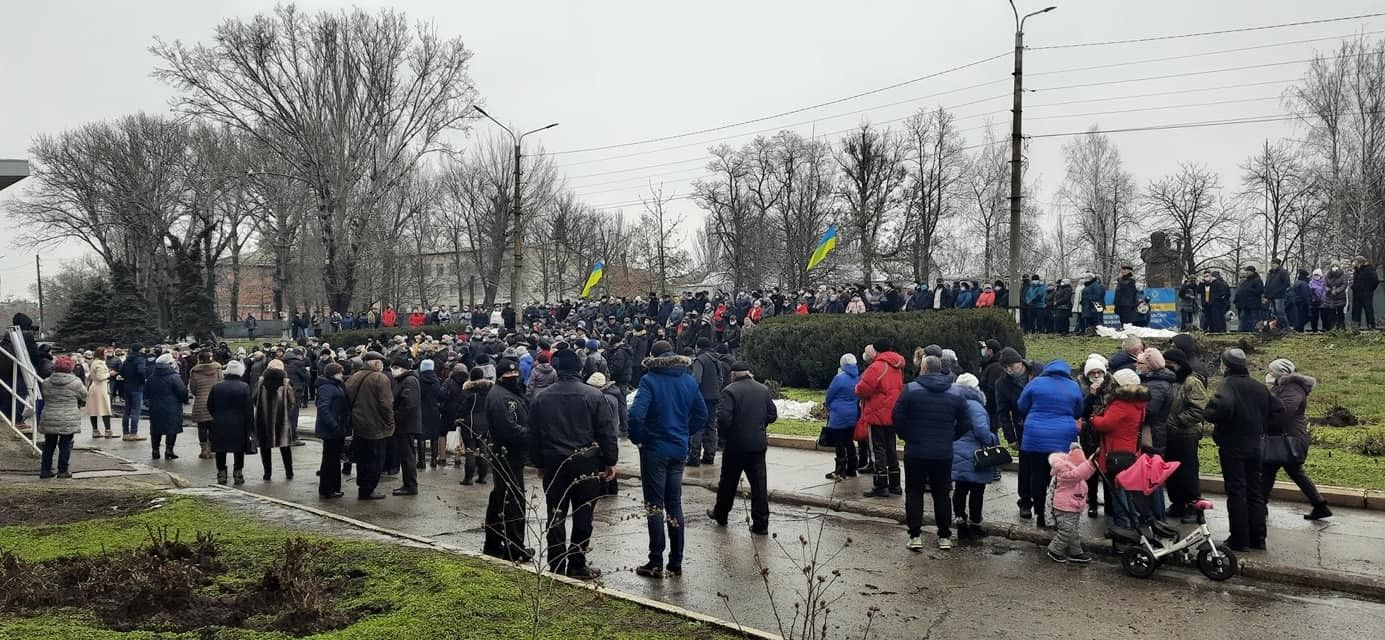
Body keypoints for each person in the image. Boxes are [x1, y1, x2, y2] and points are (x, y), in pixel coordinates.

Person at [529, 349, 617, 580]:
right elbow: (607, 431)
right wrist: (610, 461)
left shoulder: (542, 397)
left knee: (555, 513)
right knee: (583, 514)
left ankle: (556, 563)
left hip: (554, 463)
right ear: (579, 369)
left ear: (558, 369)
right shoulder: (594, 396)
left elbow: (534, 434)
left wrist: (539, 463)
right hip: (585, 463)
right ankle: (577, 563)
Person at [630, 340, 706, 579]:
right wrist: (684, 433)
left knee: (655, 506)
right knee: (674, 504)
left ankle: (655, 561)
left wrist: (640, 439)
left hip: (655, 449)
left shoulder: (649, 380)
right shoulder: (688, 380)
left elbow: (635, 416)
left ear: (653, 357)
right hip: (678, 448)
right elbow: (701, 415)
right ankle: (676, 562)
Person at [1205, 348, 1282, 552]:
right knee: (1254, 491)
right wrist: (1261, 426)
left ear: (1226, 365)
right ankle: (1258, 537)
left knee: (1237, 491)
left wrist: (1215, 415)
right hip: (1255, 444)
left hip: (1232, 445)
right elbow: (1278, 410)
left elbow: (1218, 410)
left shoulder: (1228, 385)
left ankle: (1239, 539)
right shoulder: (1258, 386)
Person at [893, 355, 971, 550]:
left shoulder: (910, 390)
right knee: (942, 494)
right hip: (943, 452)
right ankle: (944, 536)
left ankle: (915, 535)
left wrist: (907, 436)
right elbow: (966, 422)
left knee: (914, 493)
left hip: (916, 451)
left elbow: (897, 417)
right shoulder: (955, 393)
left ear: (925, 369)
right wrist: (950, 437)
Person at [708, 362, 777, 537]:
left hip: (736, 445)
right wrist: (760, 426)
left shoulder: (730, 391)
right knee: (759, 485)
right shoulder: (762, 389)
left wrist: (725, 435)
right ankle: (761, 524)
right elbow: (772, 414)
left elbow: (723, 418)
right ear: (749, 373)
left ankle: (721, 514)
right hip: (757, 445)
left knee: (728, 482)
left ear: (733, 375)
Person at [1015, 359, 1083, 528]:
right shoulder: (1073, 386)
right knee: (1059, 478)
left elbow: (1021, 405)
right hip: (1063, 438)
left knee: (1037, 475)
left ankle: (1040, 514)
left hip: (1035, 436)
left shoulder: (1036, 382)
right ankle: (1056, 513)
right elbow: (1079, 410)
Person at [1262, 358, 1332, 521]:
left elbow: (1284, 412)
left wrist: (1265, 422)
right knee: (1280, 470)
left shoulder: (1291, 388)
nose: (1269, 374)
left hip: (1289, 438)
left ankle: (1259, 505)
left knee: (1271, 469)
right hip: (1286, 437)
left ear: (1280, 373)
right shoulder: (1283, 387)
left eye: (1272, 371)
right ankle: (1320, 506)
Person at [483, 359, 532, 561]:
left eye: (515, 375)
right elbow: (507, 428)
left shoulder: (509, 393)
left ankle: (493, 543)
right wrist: (531, 434)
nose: (513, 378)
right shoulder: (499, 397)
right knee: (512, 500)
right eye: (509, 376)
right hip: (506, 454)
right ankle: (515, 546)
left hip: (512, 455)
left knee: (500, 498)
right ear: (501, 376)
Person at [1090, 368, 1148, 532]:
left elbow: (1106, 424)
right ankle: (1132, 523)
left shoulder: (1121, 404)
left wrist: (1094, 418)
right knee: (1127, 490)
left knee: (1117, 491)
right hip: (1130, 451)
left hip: (1115, 452)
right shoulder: (1139, 403)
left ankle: (1123, 526)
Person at [856, 339, 906, 498]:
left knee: (877, 449)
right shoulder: (897, 366)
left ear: (876, 351)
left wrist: (857, 389)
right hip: (893, 412)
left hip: (877, 413)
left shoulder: (877, 366)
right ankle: (895, 484)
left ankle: (881, 484)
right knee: (891, 447)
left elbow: (863, 389)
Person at [1162, 348, 1208, 522]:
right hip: (1170, 433)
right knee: (1172, 471)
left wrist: (1178, 421)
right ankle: (1178, 503)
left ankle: (1194, 507)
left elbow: (1199, 409)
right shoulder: (1171, 381)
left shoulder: (1192, 382)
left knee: (1188, 472)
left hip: (1187, 433)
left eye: (1170, 364)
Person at [950, 373, 998, 539]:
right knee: (977, 490)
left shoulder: (954, 403)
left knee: (960, 489)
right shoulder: (975, 406)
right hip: (975, 455)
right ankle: (975, 524)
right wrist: (993, 438)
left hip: (956, 450)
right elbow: (982, 431)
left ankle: (960, 520)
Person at [345, 352, 394, 500]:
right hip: (376, 425)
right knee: (375, 459)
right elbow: (386, 404)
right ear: (377, 363)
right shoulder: (379, 378)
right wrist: (390, 422)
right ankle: (369, 489)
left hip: (359, 424)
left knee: (363, 458)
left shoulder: (354, 377)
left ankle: (362, 486)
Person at [1046, 443, 1098, 564]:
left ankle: (1076, 552)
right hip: (1064, 508)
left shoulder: (1075, 474)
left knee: (1073, 531)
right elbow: (1080, 473)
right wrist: (1090, 462)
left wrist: (1092, 463)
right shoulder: (1065, 473)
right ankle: (1054, 549)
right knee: (1066, 531)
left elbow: (1084, 473)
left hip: (1072, 507)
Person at [1077, 355, 1113, 518]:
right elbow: (1080, 411)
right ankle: (1091, 502)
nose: (1097, 376)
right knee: (1091, 469)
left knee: (1108, 469)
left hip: (1107, 433)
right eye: (1093, 372)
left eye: (1099, 372)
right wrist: (1091, 395)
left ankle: (1110, 505)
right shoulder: (1081, 386)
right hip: (1089, 434)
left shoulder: (1112, 386)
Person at [207, 360, 254, 485]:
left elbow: (210, 405)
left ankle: (221, 473)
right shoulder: (244, 387)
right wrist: (250, 426)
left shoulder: (217, 386)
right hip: (239, 423)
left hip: (219, 422)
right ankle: (238, 473)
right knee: (239, 450)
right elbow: (248, 409)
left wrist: (217, 416)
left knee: (220, 450)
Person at [38, 356, 85, 479]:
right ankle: (63, 470)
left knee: (49, 444)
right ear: (70, 368)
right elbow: (84, 396)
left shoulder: (46, 382)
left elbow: (45, 395)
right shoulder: (76, 383)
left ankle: (45, 470)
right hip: (68, 418)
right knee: (65, 444)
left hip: (49, 415)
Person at [253, 360, 297, 481]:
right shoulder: (286, 382)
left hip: (264, 419)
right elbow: (292, 401)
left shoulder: (261, 381)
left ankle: (267, 474)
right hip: (281, 419)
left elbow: (254, 397)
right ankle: (289, 472)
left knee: (265, 447)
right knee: (285, 447)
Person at [688, 337, 729, 466]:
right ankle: (709, 456)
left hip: (701, 397)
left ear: (698, 347)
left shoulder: (700, 360)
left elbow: (696, 380)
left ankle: (694, 457)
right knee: (711, 426)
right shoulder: (716, 359)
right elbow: (721, 379)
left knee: (698, 426)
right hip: (714, 397)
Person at [314, 362, 349, 499]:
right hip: (331, 430)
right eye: (340, 372)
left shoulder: (335, 385)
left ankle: (332, 487)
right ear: (334, 373)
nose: (342, 374)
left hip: (335, 428)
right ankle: (328, 488)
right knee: (330, 460)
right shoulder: (327, 387)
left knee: (333, 459)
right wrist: (334, 426)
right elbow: (323, 408)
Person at [145, 352, 189, 461]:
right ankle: (169, 450)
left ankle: (155, 450)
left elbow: (146, 393)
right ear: (169, 364)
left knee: (155, 429)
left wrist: (148, 403)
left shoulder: (151, 377)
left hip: (155, 407)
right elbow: (182, 391)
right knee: (171, 428)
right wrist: (184, 400)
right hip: (172, 407)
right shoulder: (174, 377)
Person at [823, 354, 861, 479]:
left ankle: (840, 469)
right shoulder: (858, 377)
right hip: (852, 413)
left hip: (838, 414)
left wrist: (828, 405)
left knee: (839, 442)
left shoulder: (839, 378)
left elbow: (830, 394)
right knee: (849, 441)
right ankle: (852, 468)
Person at [388, 355, 421, 496]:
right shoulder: (403, 380)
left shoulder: (409, 381)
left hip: (406, 424)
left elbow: (408, 404)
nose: (393, 370)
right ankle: (407, 484)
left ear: (403, 368)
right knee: (405, 455)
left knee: (407, 456)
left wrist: (395, 417)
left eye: (395, 368)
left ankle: (410, 486)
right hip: (404, 424)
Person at [456, 368, 493, 485]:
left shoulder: (468, 393)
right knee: (483, 450)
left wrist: (458, 419)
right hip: (485, 423)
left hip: (470, 424)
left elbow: (462, 409)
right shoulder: (489, 391)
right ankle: (482, 476)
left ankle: (468, 477)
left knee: (470, 450)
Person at [187, 351, 222, 460]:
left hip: (200, 401)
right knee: (213, 427)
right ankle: (212, 449)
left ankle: (204, 450)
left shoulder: (194, 371)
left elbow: (193, 388)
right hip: (215, 400)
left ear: (200, 359)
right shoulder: (217, 369)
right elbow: (221, 383)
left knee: (202, 427)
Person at [993, 348, 1029, 449]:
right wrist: (1010, 438)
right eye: (1005, 367)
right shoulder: (1001, 384)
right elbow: (1003, 412)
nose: (1009, 370)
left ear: (1020, 362)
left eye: (1011, 366)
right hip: (1023, 429)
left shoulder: (1037, 370)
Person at [118, 341, 149, 441]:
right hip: (137, 386)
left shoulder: (127, 359)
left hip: (127, 386)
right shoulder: (140, 359)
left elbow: (121, 371)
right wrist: (143, 380)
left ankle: (125, 433)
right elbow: (141, 371)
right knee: (136, 410)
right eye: (143, 348)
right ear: (140, 349)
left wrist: (127, 378)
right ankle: (133, 433)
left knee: (127, 410)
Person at [418, 358, 444, 469]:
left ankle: (421, 461)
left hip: (421, 409)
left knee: (421, 436)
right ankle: (434, 460)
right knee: (434, 436)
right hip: (434, 409)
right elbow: (440, 395)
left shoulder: (418, 379)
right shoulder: (437, 380)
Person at [85, 347, 114, 438]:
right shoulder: (99, 363)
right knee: (105, 409)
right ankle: (108, 430)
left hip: (94, 387)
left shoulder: (94, 362)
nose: (106, 354)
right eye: (105, 353)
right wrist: (109, 374)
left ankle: (95, 430)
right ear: (101, 354)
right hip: (100, 388)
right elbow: (100, 377)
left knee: (94, 410)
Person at [1351, 256, 1379, 330]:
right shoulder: (1356, 271)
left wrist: (1369, 290)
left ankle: (1371, 327)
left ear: (1359, 262)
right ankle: (1355, 327)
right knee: (1356, 311)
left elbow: (1375, 281)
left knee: (1368, 311)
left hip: (1366, 295)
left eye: (1355, 261)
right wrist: (1354, 287)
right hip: (1357, 295)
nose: (1353, 263)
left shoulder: (1369, 270)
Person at [1235, 266, 1265, 332]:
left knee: (1254, 318)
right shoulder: (1246, 281)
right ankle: (1242, 331)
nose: (1246, 272)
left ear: (1252, 272)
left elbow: (1259, 290)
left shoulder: (1257, 280)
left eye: (1248, 271)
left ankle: (1255, 331)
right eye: (1246, 271)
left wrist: (1250, 290)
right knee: (1243, 318)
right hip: (1245, 304)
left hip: (1254, 304)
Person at [1264, 258, 1291, 329]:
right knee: (1274, 313)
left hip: (1279, 296)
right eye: (1272, 263)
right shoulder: (1270, 273)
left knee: (1280, 312)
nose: (1272, 265)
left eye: (1274, 263)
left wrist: (1279, 290)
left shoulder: (1283, 272)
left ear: (1278, 264)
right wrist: (1266, 295)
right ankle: (1279, 327)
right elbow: (1267, 284)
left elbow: (1286, 283)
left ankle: (1286, 327)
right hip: (1271, 296)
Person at [1325, 263, 1349, 330]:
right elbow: (1325, 285)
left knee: (1340, 313)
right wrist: (1329, 290)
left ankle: (1341, 328)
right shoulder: (1327, 275)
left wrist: (1337, 291)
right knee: (1331, 313)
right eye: (1333, 266)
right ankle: (1333, 327)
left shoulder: (1343, 275)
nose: (1334, 267)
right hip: (1330, 298)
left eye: (1336, 266)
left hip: (1340, 297)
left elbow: (1344, 285)